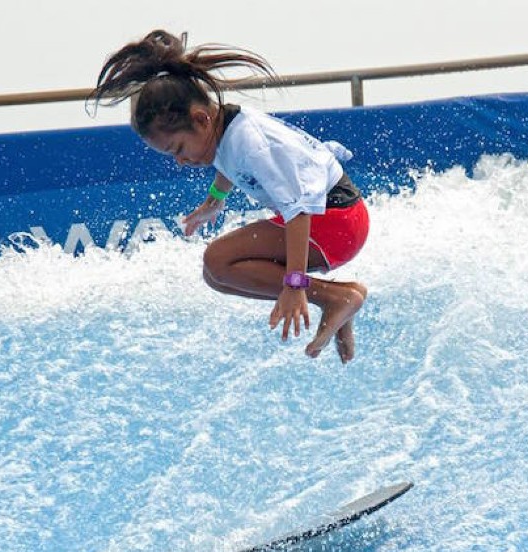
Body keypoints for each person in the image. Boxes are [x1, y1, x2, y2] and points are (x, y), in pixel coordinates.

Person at [90, 30, 369, 363]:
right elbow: (229, 164)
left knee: (218, 260)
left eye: (178, 148)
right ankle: (338, 300)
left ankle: (337, 297)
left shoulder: (250, 143)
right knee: (217, 276)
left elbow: (298, 210)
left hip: (336, 220)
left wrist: (294, 285)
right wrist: (215, 199)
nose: (180, 160)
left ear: (200, 118)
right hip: (335, 217)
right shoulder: (225, 129)